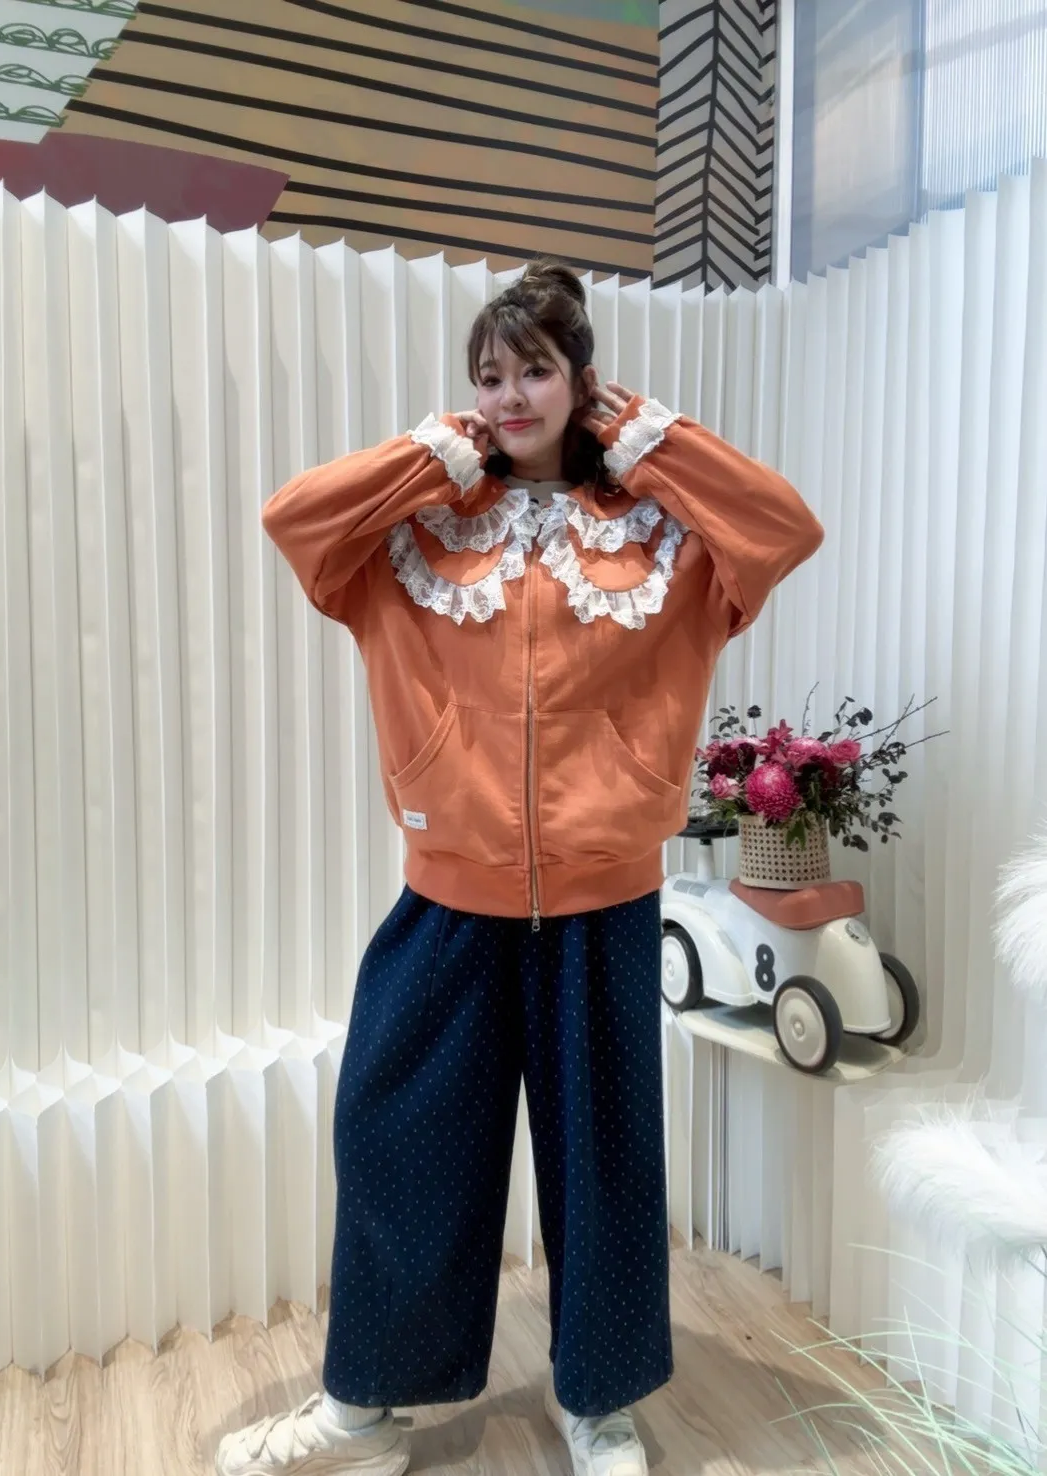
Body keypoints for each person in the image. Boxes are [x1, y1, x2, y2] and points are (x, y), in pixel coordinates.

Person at [215, 258, 823, 1476]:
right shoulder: (418, 534)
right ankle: (364, 1412)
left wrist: (646, 443)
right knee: (395, 1137)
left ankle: (596, 1401)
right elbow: (294, 519)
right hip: (449, 896)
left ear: (581, 381)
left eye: (534, 371)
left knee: (603, 1165)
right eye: (487, 376)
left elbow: (782, 527)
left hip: (604, 901)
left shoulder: (659, 536)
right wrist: (434, 453)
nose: (508, 396)